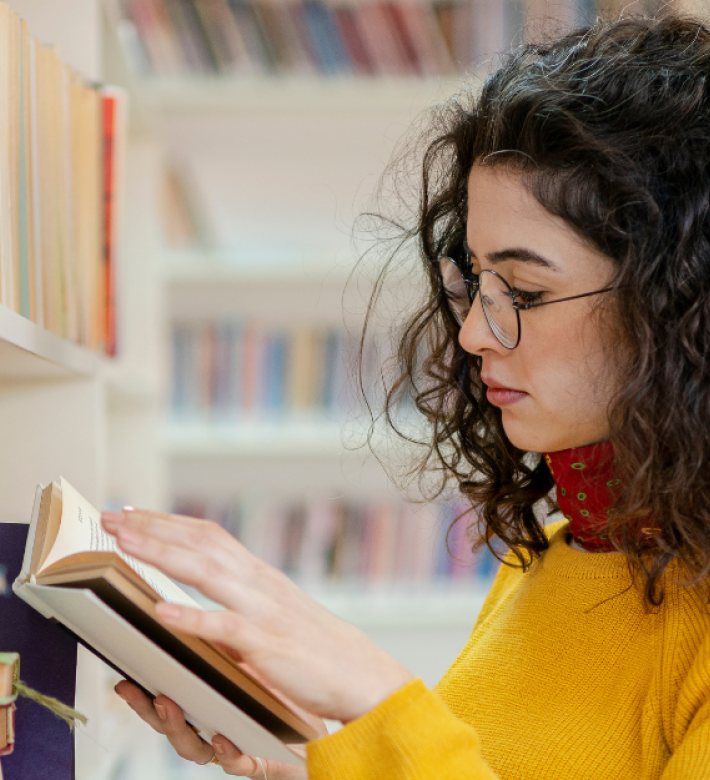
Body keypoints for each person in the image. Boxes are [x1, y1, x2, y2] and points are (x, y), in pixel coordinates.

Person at [100, 14, 710, 779]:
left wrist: (377, 696)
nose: (473, 338)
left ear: (677, 302)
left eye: (522, 290)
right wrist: (314, 754)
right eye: (475, 283)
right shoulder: (556, 558)